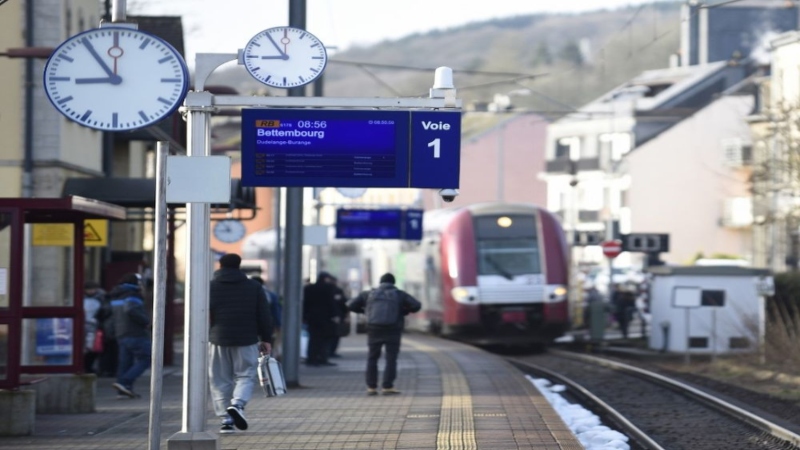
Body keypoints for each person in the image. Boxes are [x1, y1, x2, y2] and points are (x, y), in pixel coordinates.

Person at [209, 253, 273, 434]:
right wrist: (266, 339)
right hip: (247, 339)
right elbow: (264, 315)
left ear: (220, 265)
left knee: (220, 379)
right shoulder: (254, 286)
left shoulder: (209, 287)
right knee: (245, 375)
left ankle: (226, 419)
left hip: (217, 338)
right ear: (239, 266)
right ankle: (237, 404)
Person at [347, 273, 421, 395]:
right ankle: (387, 386)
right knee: (391, 358)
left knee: (372, 357)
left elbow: (350, 304)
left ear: (380, 282)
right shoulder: (399, 294)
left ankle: (371, 387)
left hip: (374, 329)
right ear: (393, 283)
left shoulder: (368, 294)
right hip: (393, 329)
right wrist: (403, 311)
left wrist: (365, 311)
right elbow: (417, 305)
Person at [109, 273, 151, 398]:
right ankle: (124, 382)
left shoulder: (115, 295)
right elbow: (131, 309)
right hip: (136, 333)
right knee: (146, 359)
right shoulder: (132, 295)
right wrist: (146, 321)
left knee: (125, 362)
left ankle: (123, 391)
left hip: (121, 333)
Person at [302, 272, 340, 366]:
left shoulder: (309, 288)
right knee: (324, 340)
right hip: (325, 318)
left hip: (312, 318)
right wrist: (335, 315)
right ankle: (322, 358)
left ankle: (311, 358)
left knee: (313, 339)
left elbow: (305, 303)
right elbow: (331, 303)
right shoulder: (328, 288)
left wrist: (304, 316)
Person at [250, 275, 282, 359]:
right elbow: (275, 311)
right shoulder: (270, 295)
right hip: (268, 326)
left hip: (251, 327)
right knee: (267, 348)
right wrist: (277, 325)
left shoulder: (247, 293)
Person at [82, 281, 105, 374]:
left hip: (95, 325)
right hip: (84, 325)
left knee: (94, 348)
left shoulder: (101, 298)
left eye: (93, 289)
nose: (91, 291)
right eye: (89, 289)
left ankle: (89, 366)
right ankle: (86, 366)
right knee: (85, 348)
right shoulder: (82, 298)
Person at [327, 275, 349, 358]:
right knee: (333, 336)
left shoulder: (337, 290)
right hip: (335, 317)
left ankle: (331, 351)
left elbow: (344, 304)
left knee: (335, 335)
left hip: (336, 317)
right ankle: (330, 351)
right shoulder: (333, 290)